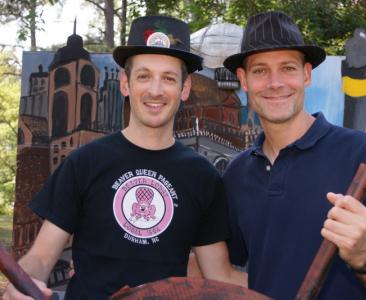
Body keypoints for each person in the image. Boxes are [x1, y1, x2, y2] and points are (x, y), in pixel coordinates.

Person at [4, 15, 245, 300]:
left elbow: (219, 276)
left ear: (185, 88)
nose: (155, 90)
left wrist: (298, 283)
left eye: (168, 78)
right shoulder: (85, 162)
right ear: (125, 83)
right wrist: (22, 283)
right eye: (144, 76)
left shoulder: (203, 176)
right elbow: (42, 257)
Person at [222, 11, 366, 300]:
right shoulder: (237, 174)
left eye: (287, 68)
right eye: (260, 70)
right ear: (243, 80)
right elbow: (226, 273)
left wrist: (364, 255)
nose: (275, 83)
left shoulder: (360, 154)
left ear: (306, 75)